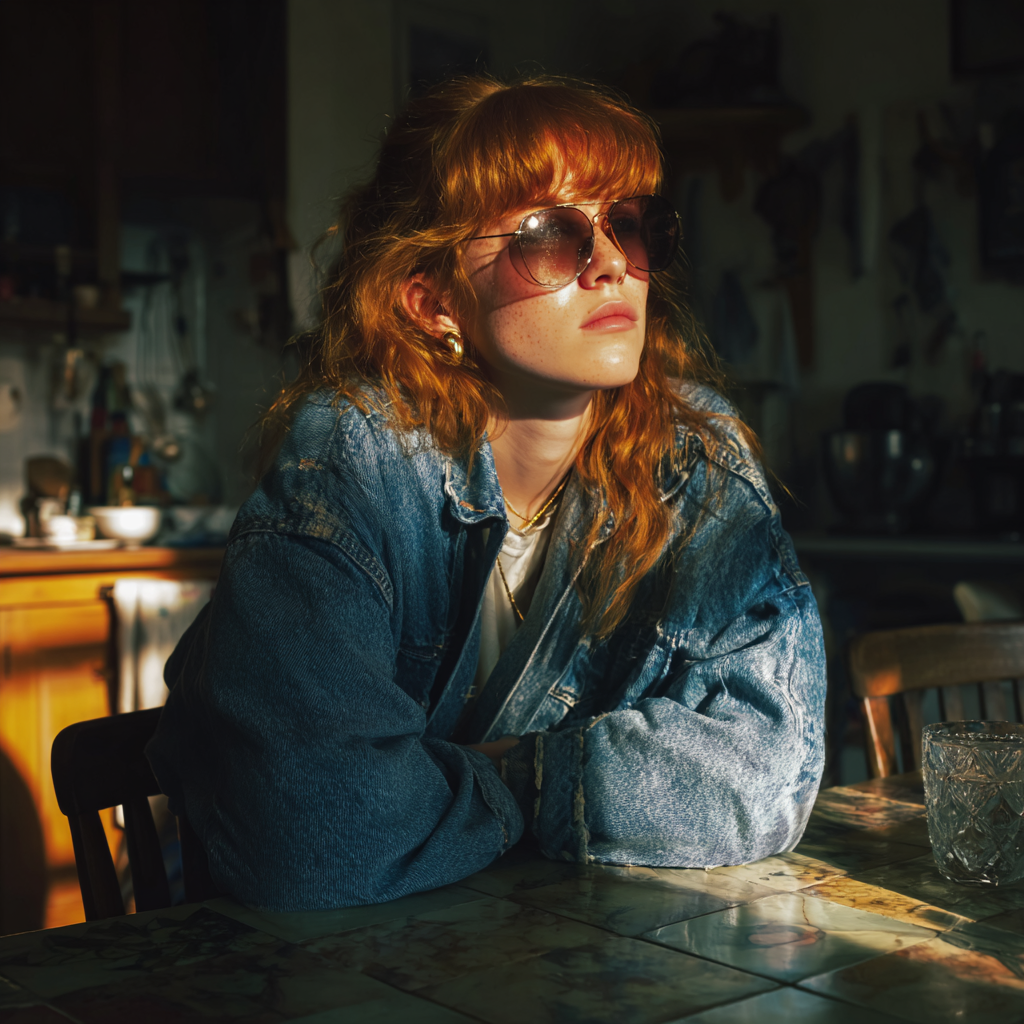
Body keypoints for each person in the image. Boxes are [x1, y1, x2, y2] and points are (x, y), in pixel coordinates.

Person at [147, 75, 826, 912]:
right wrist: (578, 789)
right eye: (551, 236)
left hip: (543, 951)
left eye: (629, 225)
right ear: (435, 305)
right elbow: (319, 833)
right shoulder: (358, 458)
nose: (613, 262)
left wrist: (517, 775)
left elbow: (765, 774)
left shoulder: (696, 458)